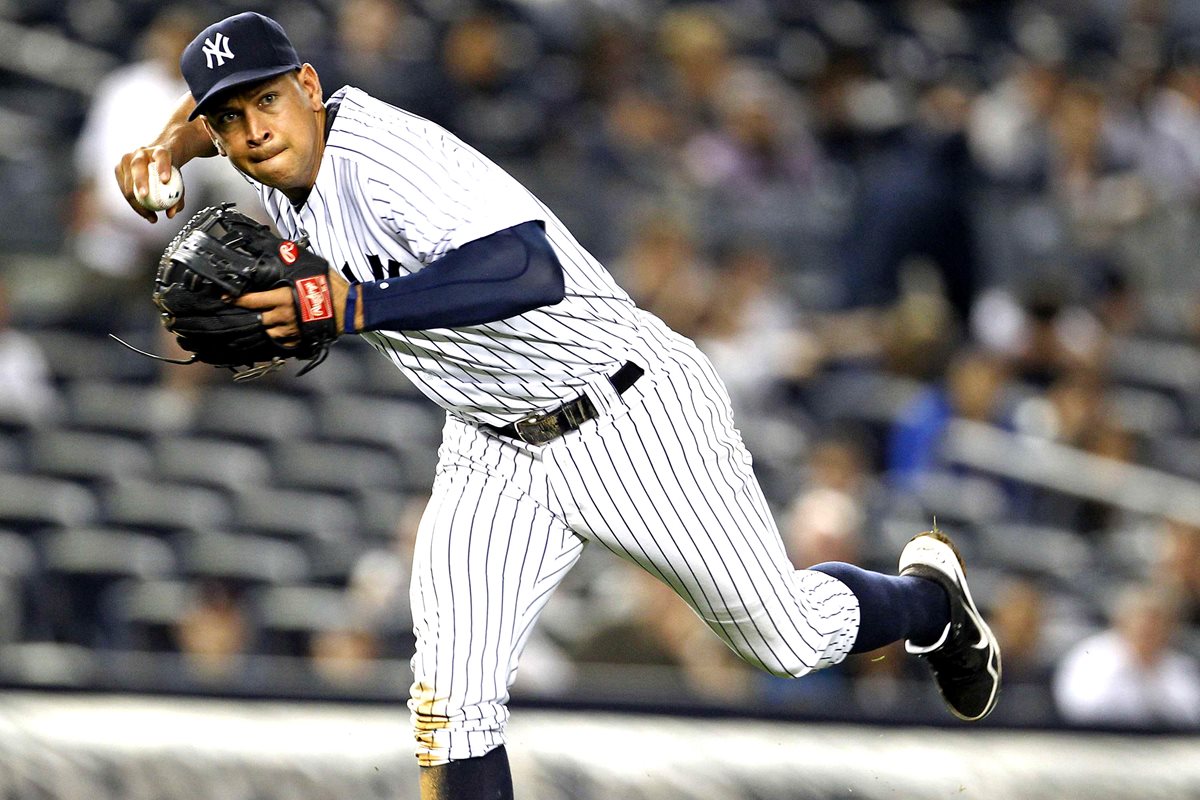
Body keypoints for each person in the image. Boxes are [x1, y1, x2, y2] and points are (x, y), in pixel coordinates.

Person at [114, 13, 1001, 799]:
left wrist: (353, 306)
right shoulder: (259, 154)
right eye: (232, 118)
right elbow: (202, 119)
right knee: (451, 701)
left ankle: (929, 602)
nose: (252, 128)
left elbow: (525, 268)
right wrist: (168, 145)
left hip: (624, 412)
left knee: (785, 638)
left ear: (310, 87)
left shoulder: (385, 160)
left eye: (266, 101)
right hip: (490, 445)